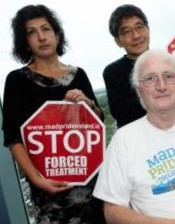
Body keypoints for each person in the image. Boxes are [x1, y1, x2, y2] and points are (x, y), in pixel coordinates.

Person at [93, 49, 175, 224]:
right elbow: (112, 212)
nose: (161, 86)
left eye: (168, 76)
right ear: (139, 91)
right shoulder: (123, 141)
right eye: (150, 78)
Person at [2, 5, 105, 224]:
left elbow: (98, 121)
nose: (41, 37)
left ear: (57, 34)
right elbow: (12, 137)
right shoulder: (17, 80)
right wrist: (38, 181)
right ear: (25, 42)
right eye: (31, 32)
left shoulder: (79, 75)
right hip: (47, 186)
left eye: (46, 28)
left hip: (89, 181)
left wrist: (88, 104)